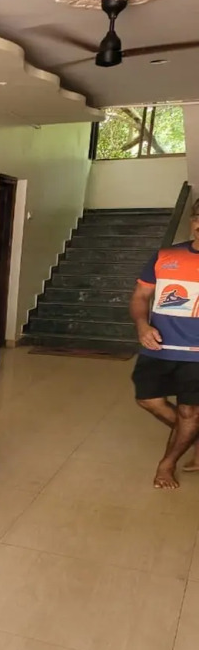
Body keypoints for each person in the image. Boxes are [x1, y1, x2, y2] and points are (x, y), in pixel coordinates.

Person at [130, 200, 199, 489]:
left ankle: (167, 464)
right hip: (158, 346)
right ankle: (194, 436)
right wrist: (142, 325)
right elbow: (140, 296)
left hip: (197, 355)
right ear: (192, 221)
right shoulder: (166, 256)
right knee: (148, 400)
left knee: (190, 412)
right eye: (198, 218)